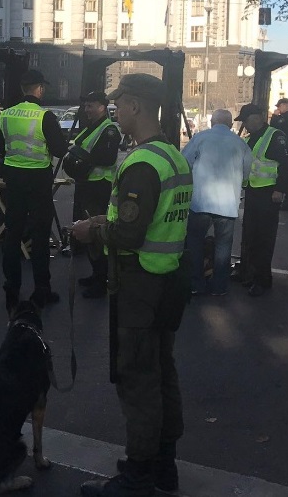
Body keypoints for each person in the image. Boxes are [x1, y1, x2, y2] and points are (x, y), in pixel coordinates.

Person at [70, 73, 192, 497]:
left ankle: (138, 476)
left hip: (139, 285)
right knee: (162, 373)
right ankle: (163, 467)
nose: (116, 110)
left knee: (137, 379)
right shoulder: (172, 157)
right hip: (167, 280)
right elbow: (146, 220)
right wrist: (108, 221)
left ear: (136, 106)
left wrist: (91, 232)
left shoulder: (143, 163)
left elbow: (130, 235)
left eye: (119, 103)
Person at [0, 69, 69, 309]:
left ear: (22, 89)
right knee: (39, 236)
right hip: (38, 180)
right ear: (40, 89)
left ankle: (11, 287)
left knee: (12, 234)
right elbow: (59, 150)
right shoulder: (45, 117)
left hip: (13, 180)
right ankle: (41, 290)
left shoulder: (5, 115)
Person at [180, 109, 252, 296]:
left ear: (212, 122)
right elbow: (247, 172)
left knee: (194, 242)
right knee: (223, 246)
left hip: (201, 202)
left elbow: (184, 162)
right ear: (230, 124)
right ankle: (219, 287)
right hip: (228, 204)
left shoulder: (200, 138)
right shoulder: (241, 144)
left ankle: (196, 284)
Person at [67, 91, 122, 299]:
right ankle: (95, 273)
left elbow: (107, 158)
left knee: (95, 233)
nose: (87, 109)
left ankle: (101, 280)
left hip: (98, 186)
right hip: (86, 184)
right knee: (87, 232)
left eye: (91, 105)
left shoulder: (109, 130)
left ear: (102, 107)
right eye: (86, 105)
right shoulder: (92, 127)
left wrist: (82, 159)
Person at [233, 102, 288, 297]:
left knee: (263, 239)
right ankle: (249, 274)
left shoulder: (275, 137)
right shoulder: (251, 138)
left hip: (268, 194)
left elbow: (286, 165)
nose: (245, 126)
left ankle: (262, 280)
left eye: (246, 121)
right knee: (250, 236)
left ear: (256, 118)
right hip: (253, 192)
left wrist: (280, 190)